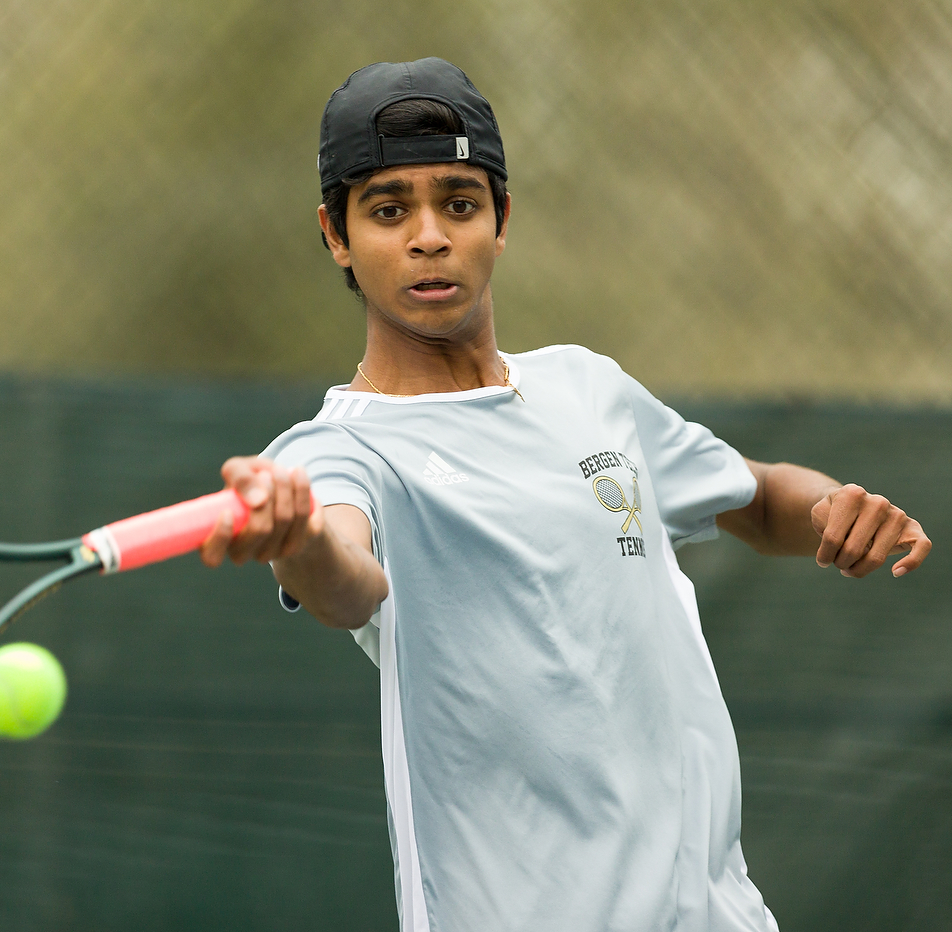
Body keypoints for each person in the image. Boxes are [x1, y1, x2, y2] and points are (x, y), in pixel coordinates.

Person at [197, 58, 933, 932]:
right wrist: (297, 538)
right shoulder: (339, 451)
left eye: (459, 203)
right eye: (389, 209)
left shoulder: (590, 389)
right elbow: (347, 578)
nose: (429, 236)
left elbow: (760, 496)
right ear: (336, 234)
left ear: (500, 219)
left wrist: (833, 508)